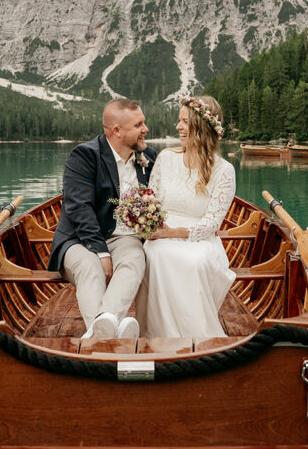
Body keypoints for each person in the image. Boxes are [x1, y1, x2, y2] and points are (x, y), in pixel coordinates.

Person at [48, 98, 157, 340]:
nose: (145, 129)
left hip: (124, 238)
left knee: (135, 259)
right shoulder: (85, 156)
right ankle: (109, 336)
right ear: (117, 131)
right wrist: (100, 251)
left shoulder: (147, 157)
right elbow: (78, 208)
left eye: (144, 122)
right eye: (139, 124)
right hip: (78, 240)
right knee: (91, 267)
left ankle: (100, 334)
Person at [136, 95, 235, 340]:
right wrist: (150, 225)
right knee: (153, 253)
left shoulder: (224, 170)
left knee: (194, 262)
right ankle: (155, 334)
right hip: (162, 231)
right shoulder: (166, 158)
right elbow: (152, 200)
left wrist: (173, 233)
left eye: (184, 122)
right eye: (178, 120)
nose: (177, 127)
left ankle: (197, 336)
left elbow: (212, 224)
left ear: (201, 128)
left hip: (199, 238)